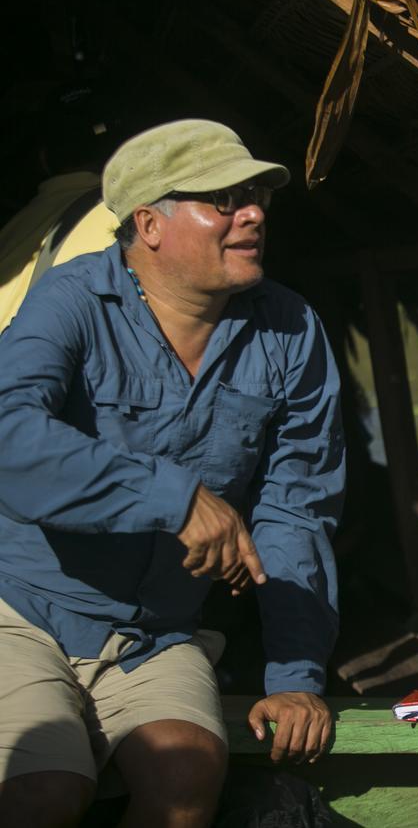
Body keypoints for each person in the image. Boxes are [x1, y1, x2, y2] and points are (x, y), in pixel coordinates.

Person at [0, 119, 346, 828]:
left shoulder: (289, 329)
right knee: (45, 789)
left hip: (156, 632)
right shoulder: (70, 301)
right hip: (19, 611)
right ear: (150, 224)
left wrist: (293, 677)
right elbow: (8, 434)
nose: (251, 213)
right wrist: (173, 495)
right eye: (222, 199)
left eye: (255, 197)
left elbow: (297, 506)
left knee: (186, 776)